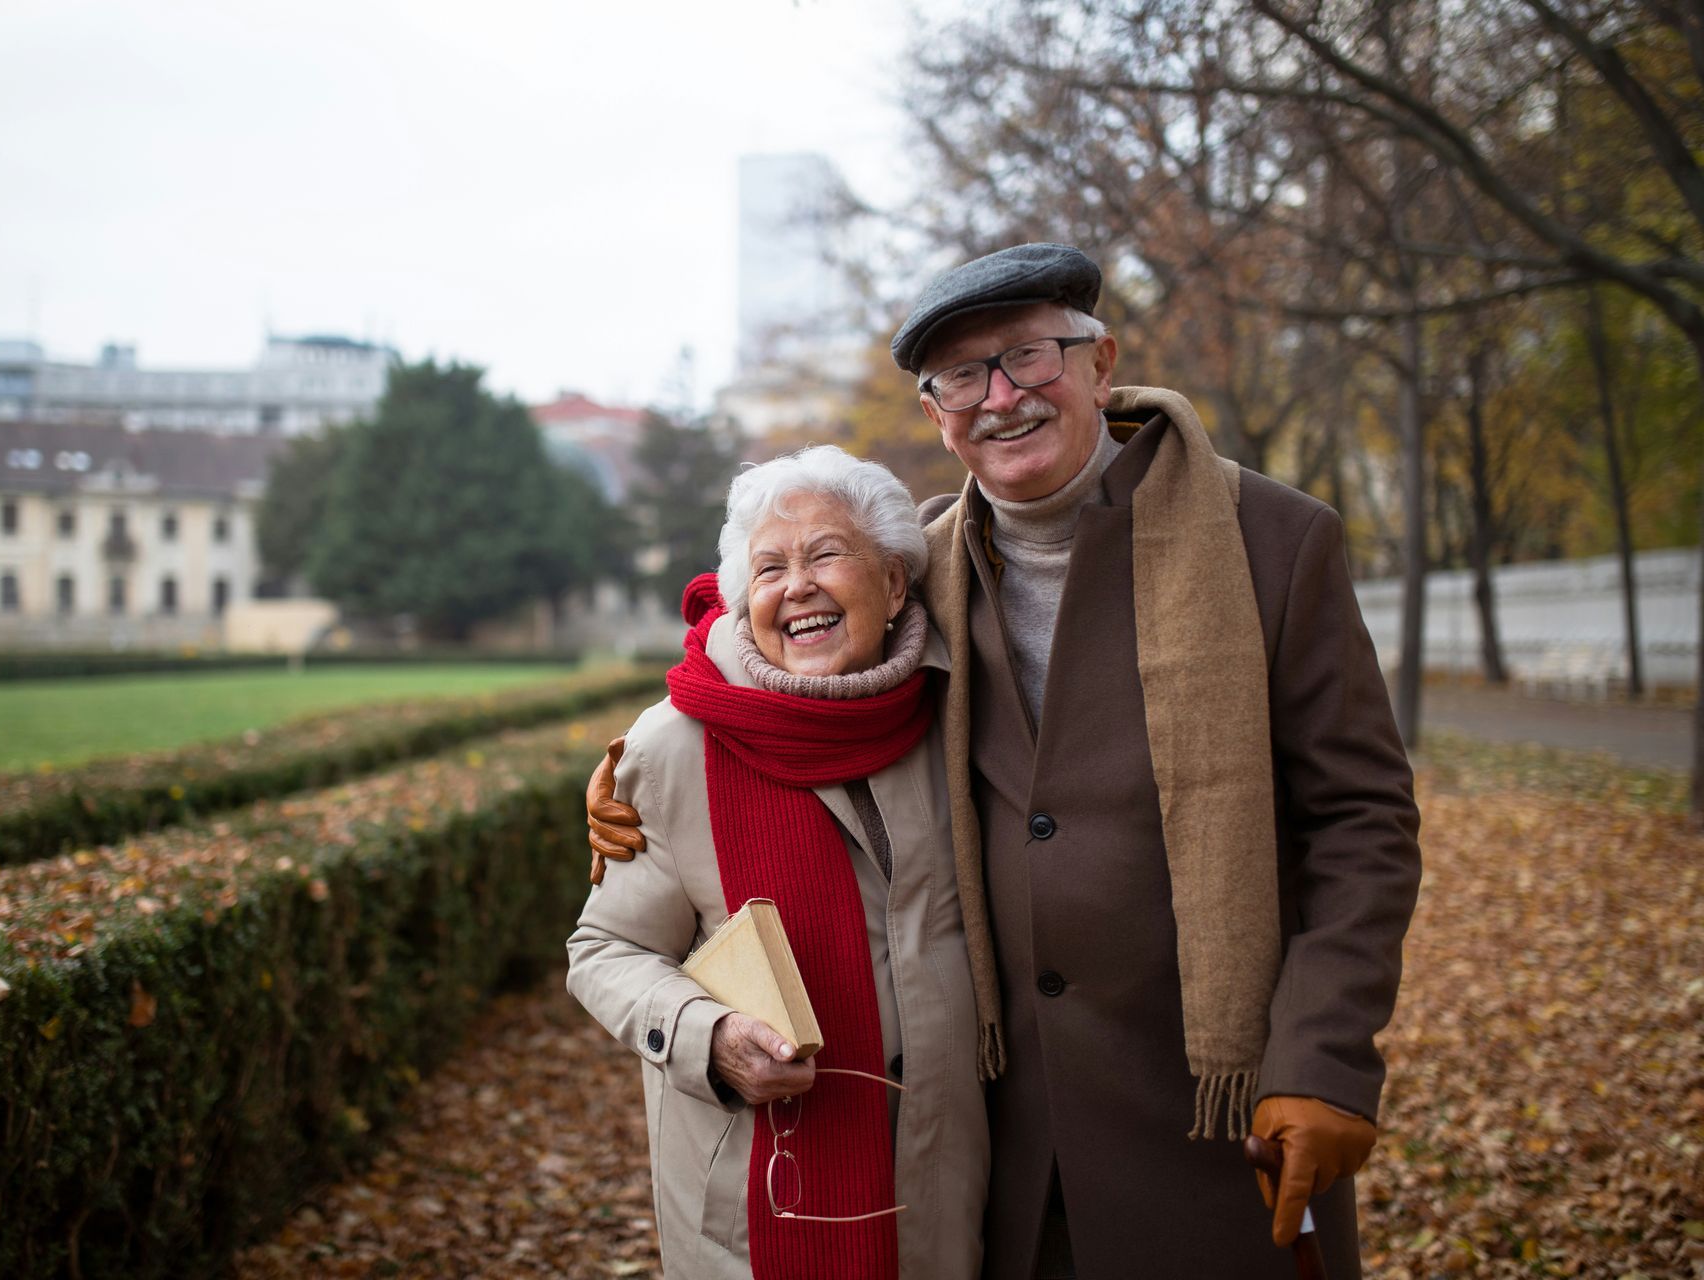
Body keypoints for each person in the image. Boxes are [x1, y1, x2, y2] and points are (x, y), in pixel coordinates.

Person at [587, 243, 1422, 1280]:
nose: (1001, 396)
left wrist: (1328, 1055)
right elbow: (771, 651)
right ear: (937, 413)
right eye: (961, 378)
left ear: (1101, 363)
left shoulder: (1272, 541)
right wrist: (640, 765)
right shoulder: (924, 563)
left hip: (1217, 1114)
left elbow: (1362, 819)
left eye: (1028, 356)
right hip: (1010, 1142)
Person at [568, 445, 990, 1280]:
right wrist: (706, 1035)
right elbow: (603, 951)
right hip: (760, 1197)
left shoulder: (961, 713)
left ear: (897, 583)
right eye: (769, 568)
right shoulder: (677, 741)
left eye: (827, 553)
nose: (796, 586)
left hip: (942, 1179)